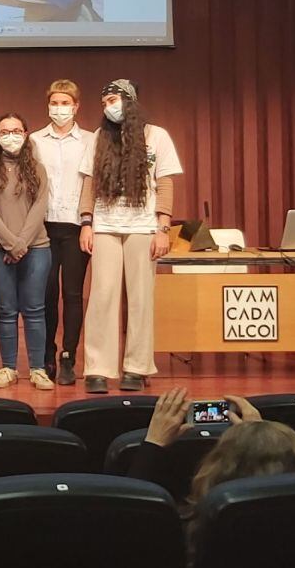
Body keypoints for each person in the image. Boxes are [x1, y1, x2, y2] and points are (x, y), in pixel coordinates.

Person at [79, 79, 183, 393]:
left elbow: (164, 184)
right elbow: (88, 183)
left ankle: (136, 367)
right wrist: (86, 223)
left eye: (113, 99)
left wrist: (163, 228)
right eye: (104, 102)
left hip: (143, 226)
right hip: (107, 225)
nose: (109, 107)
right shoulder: (99, 137)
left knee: (141, 298)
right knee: (102, 295)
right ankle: (98, 368)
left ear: (129, 100)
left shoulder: (157, 135)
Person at [133, 388, 295, 559]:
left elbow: (130, 524)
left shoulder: (189, 534)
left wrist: (153, 443)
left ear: (216, 471)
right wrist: (259, 438)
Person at [0, 114, 53, 391]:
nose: (11, 136)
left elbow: (39, 209)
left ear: (26, 134)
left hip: (36, 249)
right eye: (5, 131)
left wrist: (21, 244)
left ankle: (37, 369)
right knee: (6, 310)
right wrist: (11, 244)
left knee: (34, 310)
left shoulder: (38, 170)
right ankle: (8, 367)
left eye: (17, 130)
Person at [30, 79, 95, 385]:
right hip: (42, 226)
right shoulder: (34, 140)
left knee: (72, 294)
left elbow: (93, 185)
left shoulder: (90, 140)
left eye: (65, 103)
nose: (59, 109)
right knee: (45, 294)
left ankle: (68, 355)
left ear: (76, 106)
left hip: (75, 226)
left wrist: (88, 223)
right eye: (54, 103)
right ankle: (45, 355)